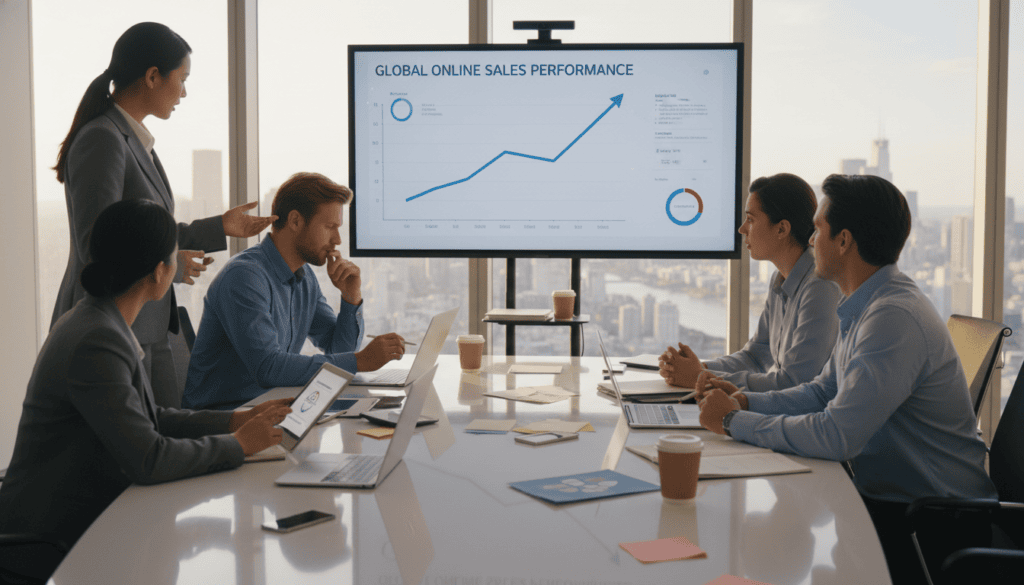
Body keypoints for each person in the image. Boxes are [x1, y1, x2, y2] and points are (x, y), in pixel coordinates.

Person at [696, 173, 996, 585]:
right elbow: (823, 391)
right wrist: (746, 401)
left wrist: (733, 422)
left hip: (932, 527)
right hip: (898, 506)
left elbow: (837, 435)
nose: (811, 240)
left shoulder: (892, 319)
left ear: (843, 241)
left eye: (817, 229)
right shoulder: (868, 306)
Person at [0, 200, 291, 583]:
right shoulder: (97, 338)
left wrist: (234, 420)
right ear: (159, 272)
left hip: (87, 519)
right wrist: (238, 444)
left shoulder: (100, 319)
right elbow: (149, 458)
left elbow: (152, 418)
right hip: (52, 541)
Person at [51, 22, 275, 408]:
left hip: (147, 323)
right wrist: (168, 261)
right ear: (153, 76)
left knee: (167, 438)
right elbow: (99, 243)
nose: (184, 92)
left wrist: (218, 227)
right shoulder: (103, 139)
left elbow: (142, 229)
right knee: (147, 452)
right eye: (182, 79)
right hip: (116, 323)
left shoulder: (131, 139)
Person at [182, 172, 406, 410]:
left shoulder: (305, 277)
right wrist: (360, 361)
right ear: (296, 221)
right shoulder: (244, 277)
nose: (338, 240)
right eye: (330, 227)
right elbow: (268, 368)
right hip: (228, 419)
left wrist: (351, 298)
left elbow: (339, 349)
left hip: (271, 408)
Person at [659, 173, 841, 392]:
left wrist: (701, 377)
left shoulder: (820, 288)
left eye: (751, 219)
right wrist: (697, 368)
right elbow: (755, 357)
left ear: (782, 229)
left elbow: (793, 383)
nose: (742, 228)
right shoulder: (780, 278)